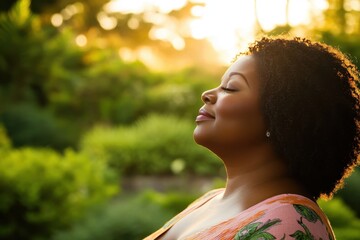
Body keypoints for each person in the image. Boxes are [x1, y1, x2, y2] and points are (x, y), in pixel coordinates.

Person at [144, 37, 360, 240]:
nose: (207, 94)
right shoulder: (209, 200)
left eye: (231, 87)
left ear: (282, 116)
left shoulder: (288, 224)